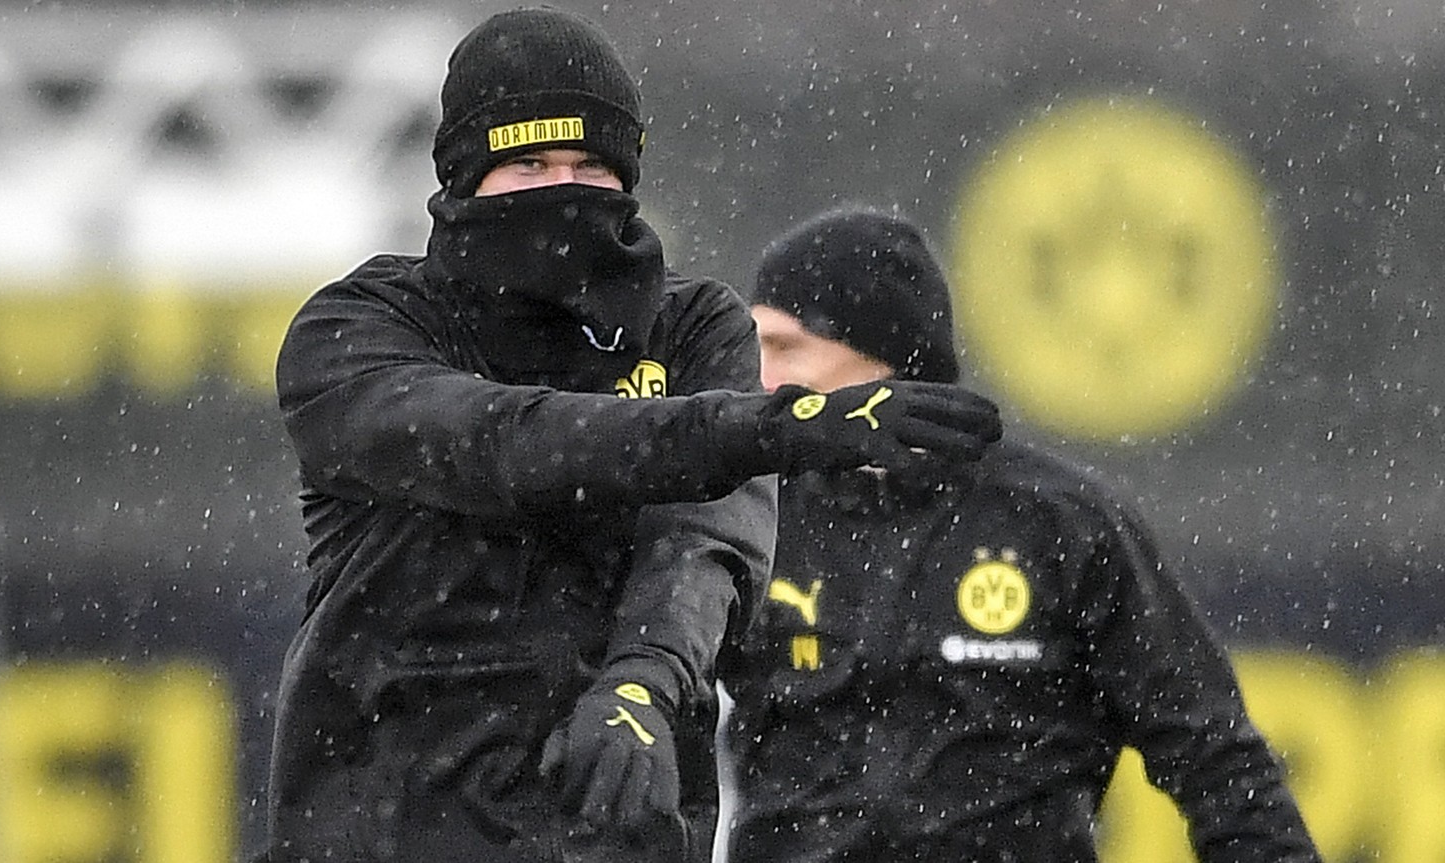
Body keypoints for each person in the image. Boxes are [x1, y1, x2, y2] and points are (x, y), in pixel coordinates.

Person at [261, 10, 1002, 863]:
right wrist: (775, 421)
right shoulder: (358, 329)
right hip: (377, 824)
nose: (563, 191)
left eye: (591, 167)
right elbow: (504, 442)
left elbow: (708, 543)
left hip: (610, 820)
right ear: (462, 178)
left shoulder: (692, 326)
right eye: (529, 164)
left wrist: (643, 680)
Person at [719, 207, 1322, 863]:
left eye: (784, 346)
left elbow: (1215, 756)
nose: (761, 377)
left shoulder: (1056, 520)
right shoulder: (746, 513)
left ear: (880, 359)